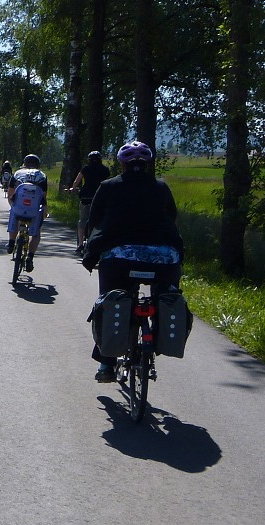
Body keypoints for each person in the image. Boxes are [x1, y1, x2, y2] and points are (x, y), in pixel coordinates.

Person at [82, 140, 183, 382]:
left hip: (120, 258)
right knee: (165, 295)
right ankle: (158, 335)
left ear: (122, 164)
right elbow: (172, 216)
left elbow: (94, 220)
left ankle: (106, 364)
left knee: (111, 297)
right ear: (147, 163)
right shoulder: (161, 187)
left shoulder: (108, 186)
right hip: (164, 259)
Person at [5, 154, 49, 272]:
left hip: (19, 209)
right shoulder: (42, 176)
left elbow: (10, 193)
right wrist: (44, 210)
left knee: (14, 215)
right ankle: (30, 257)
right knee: (36, 233)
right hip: (34, 210)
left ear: (25, 163)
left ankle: (11, 243)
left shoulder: (18, 173)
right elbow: (43, 197)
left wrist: (13, 206)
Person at [67, 151, 112, 254]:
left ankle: (80, 244)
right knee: (102, 220)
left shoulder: (86, 169)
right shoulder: (105, 170)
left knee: (82, 220)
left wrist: (73, 188)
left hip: (86, 197)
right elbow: (108, 182)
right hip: (100, 197)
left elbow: (76, 181)